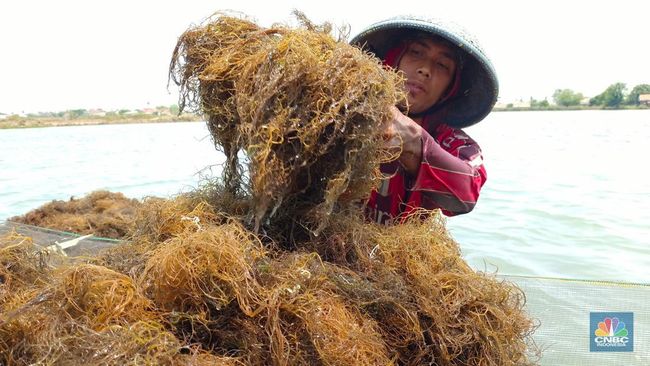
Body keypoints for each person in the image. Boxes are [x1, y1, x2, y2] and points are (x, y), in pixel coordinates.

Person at [350, 16, 499, 224]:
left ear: (450, 88)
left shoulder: (454, 143)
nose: (425, 70)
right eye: (416, 52)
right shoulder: (346, 111)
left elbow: (467, 193)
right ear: (393, 59)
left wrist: (413, 142)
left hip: (398, 253)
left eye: (442, 64)